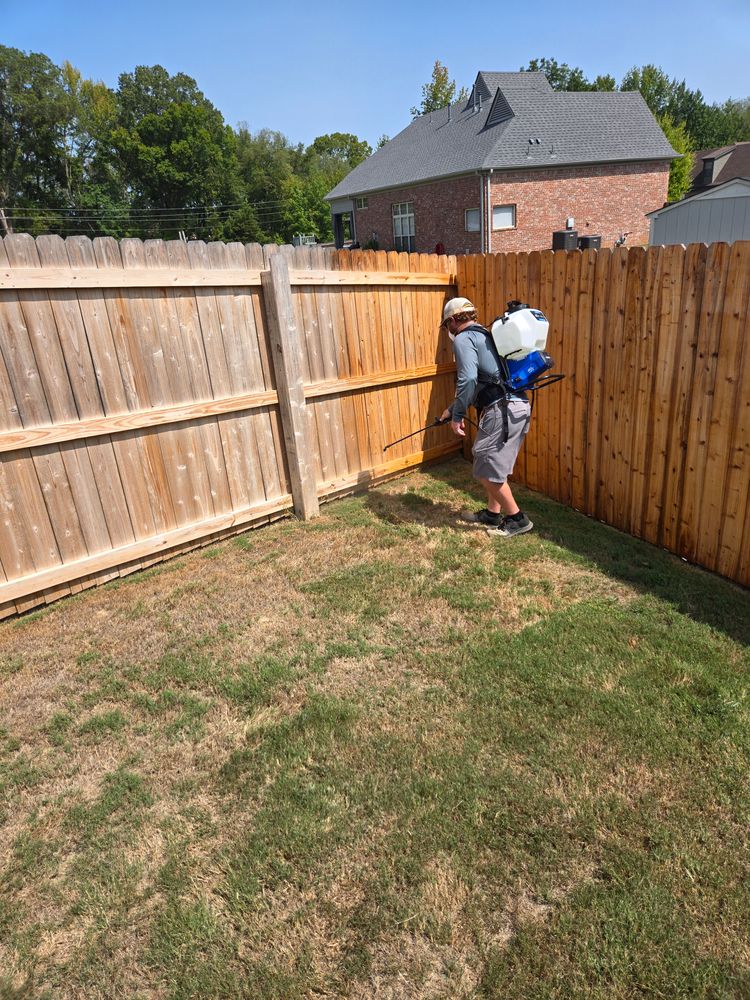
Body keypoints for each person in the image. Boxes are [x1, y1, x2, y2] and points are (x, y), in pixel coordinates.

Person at [439, 297, 533, 537]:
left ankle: (517, 519)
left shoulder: (463, 338)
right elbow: (485, 380)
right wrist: (453, 408)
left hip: (501, 408)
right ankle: (493, 514)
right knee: (495, 463)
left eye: (446, 325)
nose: (447, 330)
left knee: (483, 464)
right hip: (517, 405)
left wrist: (457, 416)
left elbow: (468, 379)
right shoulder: (486, 335)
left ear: (452, 321)